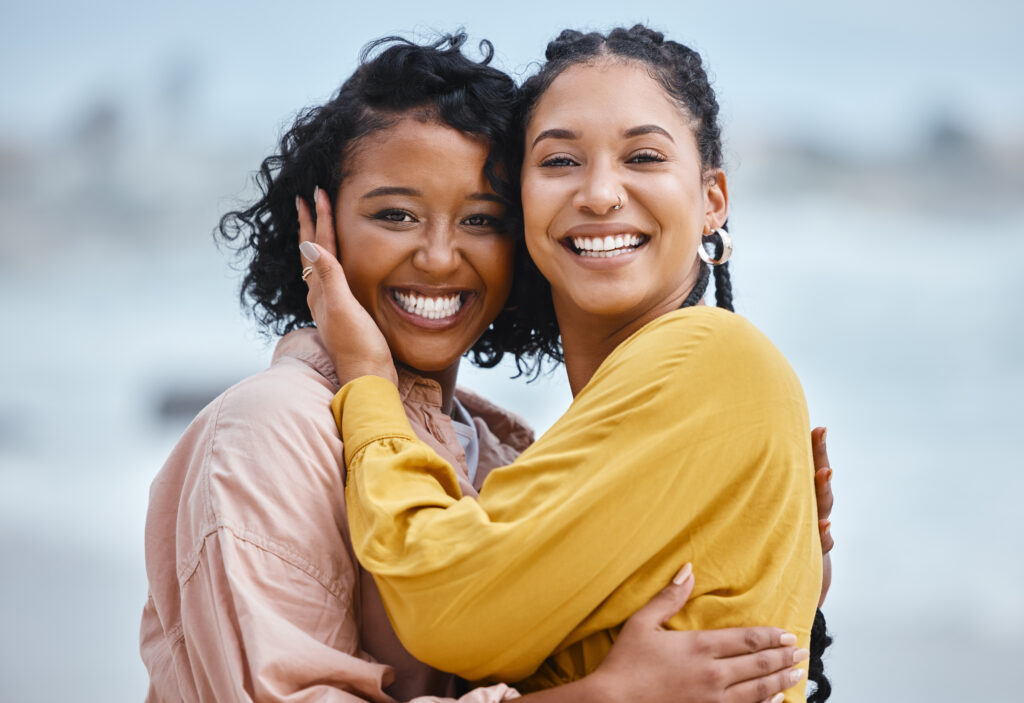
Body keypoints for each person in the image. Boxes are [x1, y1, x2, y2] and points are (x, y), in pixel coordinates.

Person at [140, 33, 819, 703]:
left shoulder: (501, 455)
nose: (439, 257)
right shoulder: (271, 430)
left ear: (713, 200)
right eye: (397, 214)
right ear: (320, 226)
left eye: (482, 220)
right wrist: (606, 696)